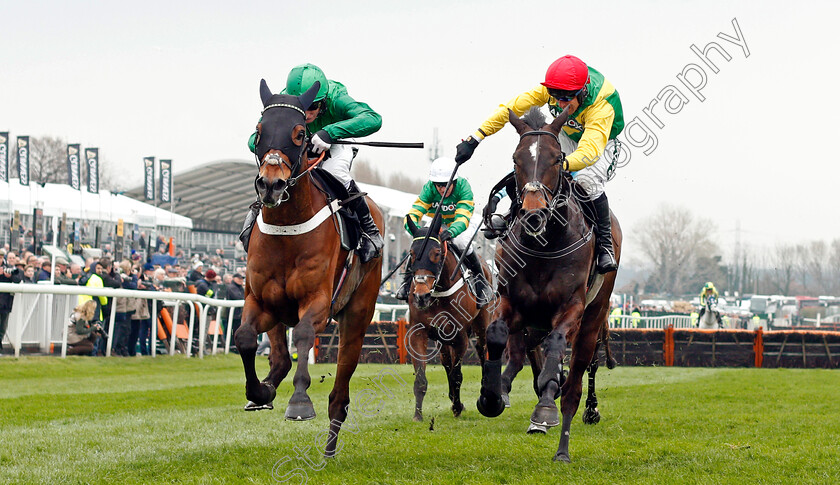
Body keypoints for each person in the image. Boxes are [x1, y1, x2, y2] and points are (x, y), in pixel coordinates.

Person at [455, 55, 624, 274]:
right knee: (536, 164)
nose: (561, 103)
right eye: (556, 97)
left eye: (567, 98)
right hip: (568, 134)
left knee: (586, 181)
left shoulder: (601, 106)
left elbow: (589, 152)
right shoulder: (553, 88)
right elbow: (509, 110)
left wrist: (559, 167)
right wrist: (475, 138)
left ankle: (605, 245)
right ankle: (510, 216)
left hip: (601, 142)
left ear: (583, 90)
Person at [245, 63, 384, 262]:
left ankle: (370, 229)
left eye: (313, 107)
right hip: (298, 145)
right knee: (272, 173)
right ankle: (252, 221)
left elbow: (373, 119)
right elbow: (253, 140)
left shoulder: (337, 99)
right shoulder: (283, 103)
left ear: (324, 102)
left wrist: (330, 132)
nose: (308, 113)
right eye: (304, 108)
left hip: (336, 142)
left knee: (336, 173)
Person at [395, 157, 492, 305]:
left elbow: (463, 216)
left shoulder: (463, 187)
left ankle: (481, 282)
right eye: (438, 185)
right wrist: (414, 228)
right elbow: (415, 211)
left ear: (453, 182)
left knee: (461, 241)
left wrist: (452, 231)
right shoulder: (429, 188)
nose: (441, 189)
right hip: (437, 223)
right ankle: (406, 283)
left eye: (445, 185)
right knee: (420, 244)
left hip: (462, 223)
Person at [0, 256, 24, 351]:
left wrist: (10, 276)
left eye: (1, 257)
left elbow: (18, 279)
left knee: (3, 327)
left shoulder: (9, 268)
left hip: (6, 303)